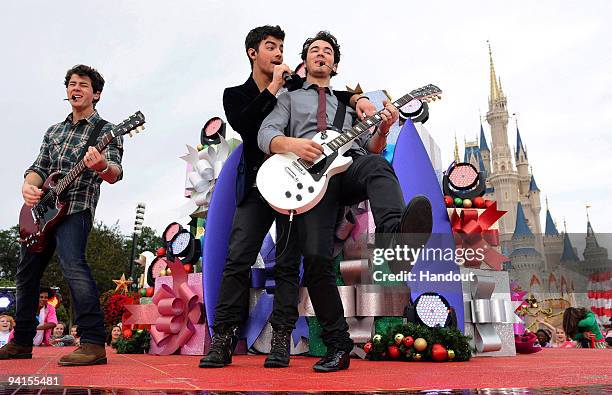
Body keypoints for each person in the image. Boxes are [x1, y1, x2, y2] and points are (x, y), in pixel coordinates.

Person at [199, 26, 378, 370]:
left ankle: (281, 338)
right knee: (238, 259)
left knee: (287, 263)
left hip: (296, 187)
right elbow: (247, 124)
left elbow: (330, 91)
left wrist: (358, 98)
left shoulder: (295, 88)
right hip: (256, 186)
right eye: (271, 47)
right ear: (253, 52)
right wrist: (276, 86)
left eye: (282, 47)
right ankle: (222, 338)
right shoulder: (237, 94)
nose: (279, 53)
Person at [257, 31, 432, 372]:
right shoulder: (290, 98)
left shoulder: (348, 106)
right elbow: (266, 135)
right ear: (305, 61)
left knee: (379, 166)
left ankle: (394, 238)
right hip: (309, 182)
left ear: (335, 65)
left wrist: (382, 130)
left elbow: (372, 149)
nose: (321, 55)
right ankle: (338, 346)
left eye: (327, 52)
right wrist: (295, 145)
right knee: (317, 262)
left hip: (347, 172)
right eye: (314, 51)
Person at [0, 64, 123, 366]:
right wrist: (29, 187)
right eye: (71, 83)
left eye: (83, 84)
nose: (76, 88)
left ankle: (93, 343)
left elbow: (116, 173)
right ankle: (21, 343)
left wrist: (100, 167)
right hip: (41, 215)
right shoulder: (54, 130)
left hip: (76, 208)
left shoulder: (106, 130)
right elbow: (39, 169)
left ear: (96, 93)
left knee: (73, 266)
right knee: (26, 273)